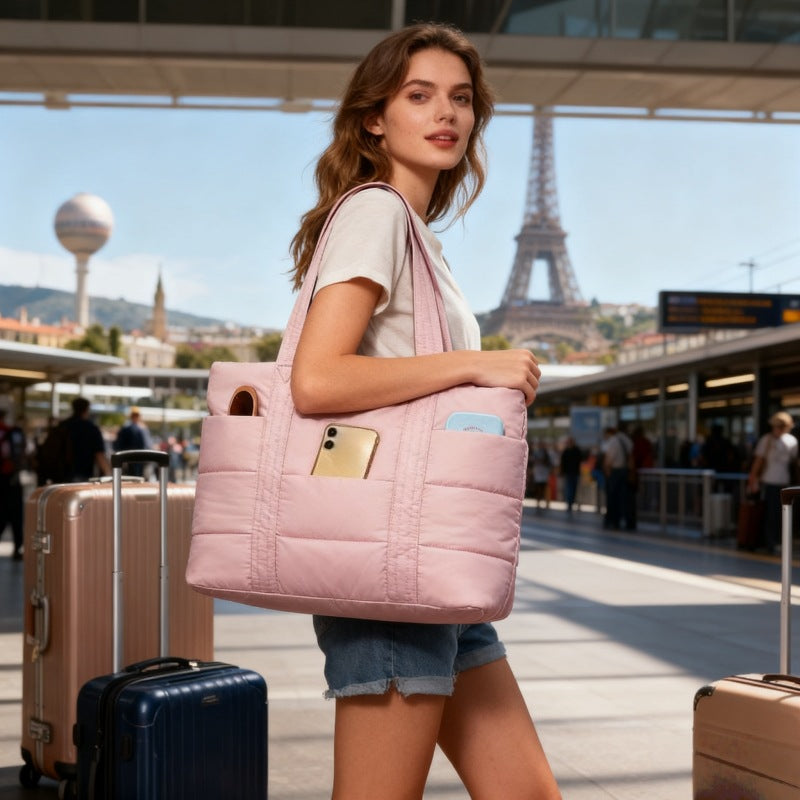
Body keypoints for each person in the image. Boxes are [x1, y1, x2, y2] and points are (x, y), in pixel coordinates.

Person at [287, 23, 560, 799]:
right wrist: (477, 364)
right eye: (420, 95)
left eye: (462, 98)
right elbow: (317, 381)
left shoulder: (419, 235)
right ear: (375, 117)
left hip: (436, 557)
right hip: (391, 565)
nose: (447, 113)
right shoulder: (374, 213)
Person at [747, 411, 799, 554]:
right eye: (776, 426)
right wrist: (753, 479)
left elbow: (794, 463)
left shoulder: (792, 441)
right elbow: (758, 461)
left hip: (785, 482)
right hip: (769, 482)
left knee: (784, 514)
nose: (778, 429)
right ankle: (770, 542)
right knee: (771, 514)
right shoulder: (767, 440)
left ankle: (780, 541)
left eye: (781, 426)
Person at [38, 397, 110, 484]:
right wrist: (109, 475)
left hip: (59, 476)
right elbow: (99, 455)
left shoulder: (62, 425)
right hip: (82, 475)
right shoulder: (91, 429)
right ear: (86, 409)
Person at [0, 408, 26, 559]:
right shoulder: (13, 432)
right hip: (11, 478)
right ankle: (17, 548)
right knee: (15, 513)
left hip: (4, 478)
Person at [602, 425, 633, 530]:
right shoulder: (627, 440)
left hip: (615, 472)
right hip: (625, 471)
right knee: (624, 498)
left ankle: (613, 521)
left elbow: (609, 459)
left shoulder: (613, 441)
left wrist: (607, 472)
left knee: (612, 498)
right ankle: (626, 521)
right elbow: (630, 456)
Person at [113, 407, 152, 476]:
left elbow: (118, 445)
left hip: (131, 460)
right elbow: (148, 445)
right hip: (139, 459)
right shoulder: (143, 429)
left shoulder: (127, 428)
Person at [559, 436, 583, 514]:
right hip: (568, 473)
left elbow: (580, 460)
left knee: (574, 489)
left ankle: (572, 503)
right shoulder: (566, 451)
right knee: (569, 489)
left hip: (575, 473)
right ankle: (570, 504)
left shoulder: (577, 450)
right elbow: (562, 462)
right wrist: (562, 472)